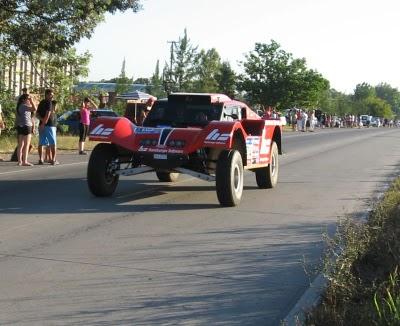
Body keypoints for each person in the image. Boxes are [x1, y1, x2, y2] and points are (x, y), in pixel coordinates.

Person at [37, 89, 58, 165]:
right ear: (46, 95)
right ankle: (53, 159)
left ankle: (41, 159)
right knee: (52, 142)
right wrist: (44, 123)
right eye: (50, 94)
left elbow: (37, 114)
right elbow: (48, 114)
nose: (52, 96)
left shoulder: (41, 102)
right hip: (49, 125)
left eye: (52, 94)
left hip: (42, 124)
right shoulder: (49, 103)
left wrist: (41, 121)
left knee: (41, 142)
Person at [16, 94, 36, 166]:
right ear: (24, 100)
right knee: (26, 145)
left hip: (21, 126)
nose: (29, 100)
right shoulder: (24, 106)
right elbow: (34, 109)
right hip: (27, 126)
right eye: (28, 99)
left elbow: (31, 116)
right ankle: (24, 161)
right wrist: (32, 101)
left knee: (20, 145)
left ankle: (19, 161)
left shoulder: (20, 106)